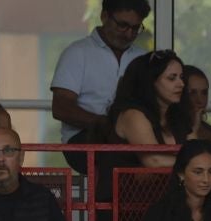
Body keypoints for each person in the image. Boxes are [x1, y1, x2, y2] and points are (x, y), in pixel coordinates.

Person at [50, 1, 149, 151]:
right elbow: (61, 107)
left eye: (135, 28)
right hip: (84, 136)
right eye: (122, 25)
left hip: (133, 136)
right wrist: (106, 124)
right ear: (104, 16)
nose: (129, 34)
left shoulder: (143, 58)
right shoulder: (77, 53)